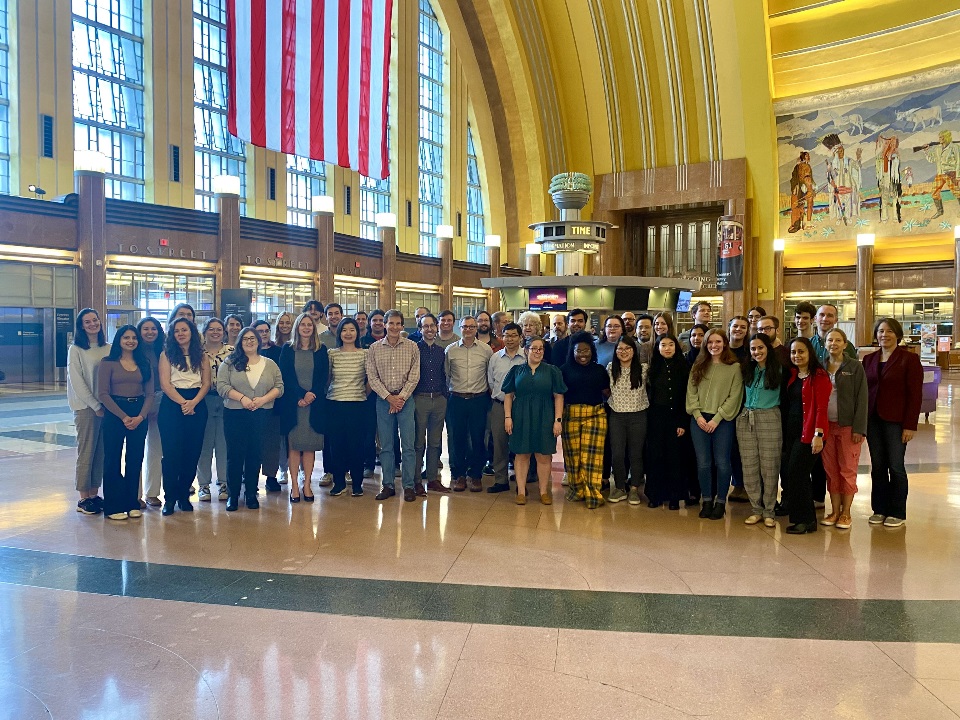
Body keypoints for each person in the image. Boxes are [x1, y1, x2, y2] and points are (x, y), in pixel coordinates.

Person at [862, 318, 923, 528]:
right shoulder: (869, 360)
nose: (884, 335)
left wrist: (910, 425)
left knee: (896, 466)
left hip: (896, 421)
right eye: (880, 331)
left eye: (889, 331)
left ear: (898, 334)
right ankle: (879, 509)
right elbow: (864, 392)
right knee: (877, 466)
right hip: (873, 420)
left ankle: (897, 511)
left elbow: (915, 395)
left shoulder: (909, 359)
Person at [217, 327, 283, 510]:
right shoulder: (230, 363)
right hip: (235, 413)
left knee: (255, 454)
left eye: (253, 338)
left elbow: (279, 386)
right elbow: (221, 385)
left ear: (259, 341)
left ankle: (251, 493)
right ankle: (233, 495)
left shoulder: (269, 364)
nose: (249, 341)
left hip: (261, 414)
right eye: (245, 338)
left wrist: (262, 400)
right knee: (235, 456)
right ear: (239, 341)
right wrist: (242, 399)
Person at [686, 329, 743, 520]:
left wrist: (717, 419)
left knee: (722, 462)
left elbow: (734, 396)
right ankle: (707, 500)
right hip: (699, 419)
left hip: (723, 421)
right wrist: (698, 415)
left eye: (718, 342)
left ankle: (720, 502)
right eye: (710, 342)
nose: (714, 346)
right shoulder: (698, 365)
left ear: (725, 343)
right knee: (703, 463)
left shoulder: (734, 367)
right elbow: (691, 392)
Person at [97, 325, 153, 520]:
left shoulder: (143, 363)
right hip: (115, 413)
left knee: (135, 459)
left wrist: (140, 417)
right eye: (126, 337)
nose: (130, 341)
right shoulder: (108, 363)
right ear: (119, 340)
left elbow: (149, 394)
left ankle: (131, 503)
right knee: (112, 459)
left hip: (138, 413)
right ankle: (113, 506)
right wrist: (123, 417)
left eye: (134, 338)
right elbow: (103, 393)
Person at [502, 337, 566, 505]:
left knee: (543, 455)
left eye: (541, 349)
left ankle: (544, 491)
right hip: (520, 416)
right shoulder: (516, 370)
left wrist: (558, 420)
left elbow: (559, 396)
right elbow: (508, 395)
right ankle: (521, 491)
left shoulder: (552, 371)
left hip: (545, 416)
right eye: (534, 348)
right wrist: (508, 417)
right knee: (522, 454)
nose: (538, 351)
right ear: (526, 350)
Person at [157, 318, 211, 516]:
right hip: (173, 404)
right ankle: (169, 498)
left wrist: (193, 403)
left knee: (192, 452)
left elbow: (206, 383)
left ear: (192, 333)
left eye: (184, 330)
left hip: (196, 403)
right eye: (176, 331)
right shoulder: (167, 355)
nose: (180, 333)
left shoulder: (202, 356)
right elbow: (165, 384)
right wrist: (183, 403)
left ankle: (183, 495)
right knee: (171, 454)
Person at [366, 310, 421, 502]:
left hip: (406, 401)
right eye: (391, 323)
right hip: (383, 401)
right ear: (385, 325)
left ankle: (408, 485)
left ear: (402, 326)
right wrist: (389, 398)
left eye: (398, 324)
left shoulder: (412, 347)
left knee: (408, 445)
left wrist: (400, 398)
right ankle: (388, 484)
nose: (395, 327)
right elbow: (372, 377)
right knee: (386, 446)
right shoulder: (374, 348)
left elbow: (414, 376)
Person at [781, 336, 831, 534]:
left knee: (798, 474)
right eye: (793, 352)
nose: (797, 355)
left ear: (810, 353)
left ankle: (806, 520)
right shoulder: (793, 375)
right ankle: (802, 518)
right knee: (794, 475)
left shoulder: (819, 376)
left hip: (810, 434)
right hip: (792, 432)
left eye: (801, 351)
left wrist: (818, 434)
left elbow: (822, 408)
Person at [277, 312, 328, 503]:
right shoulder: (288, 349)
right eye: (302, 325)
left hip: (314, 404)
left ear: (314, 328)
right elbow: (285, 376)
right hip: (294, 404)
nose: (306, 328)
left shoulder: (321, 350)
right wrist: (300, 395)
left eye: (309, 325)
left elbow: (324, 376)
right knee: (294, 446)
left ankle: (307, 484)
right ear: (297, 328)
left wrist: (311, 394)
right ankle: (295, 487)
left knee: (310, 447)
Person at [819, 328, 868, 530]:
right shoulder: (820, 367)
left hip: (848, 427)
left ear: (845, 344)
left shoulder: (855, 367)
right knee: (831, 471)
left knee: (847, 470)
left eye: (838, 340)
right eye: (830, 340)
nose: (834, 343)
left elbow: (862, 398)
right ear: (825, 343)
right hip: (826, 427)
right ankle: (834, 511)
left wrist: (859, 428)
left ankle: (846, 513)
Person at [735, 333, 783, 527]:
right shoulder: (747, 369)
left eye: (760, 348)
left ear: (768, 349)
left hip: (769, 417)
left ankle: (769, 510)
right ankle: (756, 508)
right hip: (746, 418)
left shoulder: (779, 369)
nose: (757, 352)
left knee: (770, 467)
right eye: (753, 349)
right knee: (749, 466)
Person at [559, 332, 609, 509]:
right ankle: (576, 489)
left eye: (586, 350)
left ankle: (593, 493)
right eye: (579, 351)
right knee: (573, 457)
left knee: (592, 458)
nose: (583, 354)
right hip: (570, 415)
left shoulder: (599, 370)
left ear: (592, 351)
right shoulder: (564, 370)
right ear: (572, 352)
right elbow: (559, 396)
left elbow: (607, 393)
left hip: (595, 415)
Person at [68, 309, 111, 515]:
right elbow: (77, 381)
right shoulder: (76, 350)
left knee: (100, 452)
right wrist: (95, 406)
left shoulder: (108, 348)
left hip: (106, 409)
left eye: (95, 320)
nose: (93, 324)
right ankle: (83, 498)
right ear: (81, 326)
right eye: (87, 322)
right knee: (86, 452)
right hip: (86, 408)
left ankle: (94, 494)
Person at [444, 316, 493, 492]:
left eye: (472, 327)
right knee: (457, 439)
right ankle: (459, 475)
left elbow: (490, 374)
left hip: (478, 399)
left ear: (476, 328)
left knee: (478, 438)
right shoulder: (450, 350)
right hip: (456, 399)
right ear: (460, 328)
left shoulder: (486, 350)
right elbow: (447, 375)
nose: (468, 330)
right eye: (465, 327)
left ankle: (476, 475)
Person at [324, 317, 370, 495]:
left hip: (357, 405)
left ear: (357, 333)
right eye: (344, 330)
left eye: (352, 330)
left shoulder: (365, 353)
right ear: (339, 333)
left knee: (356, 445)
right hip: (334, 404)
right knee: (336, 445)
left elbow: (370, 380)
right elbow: (327, 379)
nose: (348, 333)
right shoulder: (332, 353)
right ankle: (339, 483)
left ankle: (357, 483)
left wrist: (360, 395)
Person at [645, 335, 691, 510]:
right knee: (656, 457)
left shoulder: (684, 367)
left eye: (671, 345)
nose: (667, 348)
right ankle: (656, 495)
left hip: (676, 417)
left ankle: (674, 497)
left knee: (675, 458)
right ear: (657, 348)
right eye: (663, 345)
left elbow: (686, 396)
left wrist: (682, 422)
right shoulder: (653, 368)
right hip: (656, 417)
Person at [605, 335, 648, 506]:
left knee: (636, 453)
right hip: (617, 416)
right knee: (617, 453)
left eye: (627, 349)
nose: (623, 352)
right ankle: (620, 487)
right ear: (615, 351)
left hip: (638, 415)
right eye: (620, 349)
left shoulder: (644, 369)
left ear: (634, 351)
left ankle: (634, 488)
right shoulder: (610, 368)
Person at [487, 322, 526, 494]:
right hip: (499, 406)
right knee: (499, 443)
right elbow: (490, 382)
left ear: (520, 337)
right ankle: (501, 480)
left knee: (521, 444)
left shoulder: (527, 356)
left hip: (521, 407)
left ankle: (521, 481)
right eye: (506, 335)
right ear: (502, 337)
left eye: (513, 335)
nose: (509, 339)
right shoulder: (495, 358)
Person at [413, 313, 450, 495]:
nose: (429, 329)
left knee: (435, 442)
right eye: (425, 326)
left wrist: (444, 395)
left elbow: (446, 374)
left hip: (439, 399)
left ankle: (433, 479)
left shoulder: (441, 351)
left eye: (432, 326)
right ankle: (416, 480)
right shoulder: (413, 349)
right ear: (420, 329)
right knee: (418, 442)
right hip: (420, 399)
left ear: (436, 328)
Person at [197, 318, 232, 502]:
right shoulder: (197, 352)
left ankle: (224, 482)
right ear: (205, 331)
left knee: (223, 443)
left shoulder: (232, 352)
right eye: (211, 329)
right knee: (204, 444)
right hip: (203, 400)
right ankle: (203, 485)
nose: (215, 332)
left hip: (227, 400)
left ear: (224, 332)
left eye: (219, 329)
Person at [136, 317, 165, 507]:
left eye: (153, 329)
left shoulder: (163, 351)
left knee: (156, 449)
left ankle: (152, 492)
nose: (149, 332)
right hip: (137, 402)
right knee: (135, 449)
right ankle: (134, 494)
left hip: (161, 399)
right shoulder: (131, 352)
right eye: (145, 328)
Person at [258, 319, 287, 492]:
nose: (263, 334)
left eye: (266, 330)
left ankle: (271, 476)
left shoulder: (279, 351)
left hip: (274, 406)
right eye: (260, 331)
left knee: (272, 444)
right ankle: (249, 476)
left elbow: (281, 378)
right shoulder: (248, 352)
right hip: (250, 406)